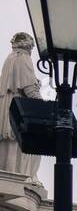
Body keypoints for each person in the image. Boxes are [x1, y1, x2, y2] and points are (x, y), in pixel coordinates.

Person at [0, 31, 42, 181]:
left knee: (9, 143)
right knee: (22, 141)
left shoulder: (10, 58)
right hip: (20, 107)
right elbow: (28, 87)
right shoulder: (23, 58)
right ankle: (21, 177)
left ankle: (9, 173)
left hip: (7, 104)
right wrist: (42, 104)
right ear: (28, 46)